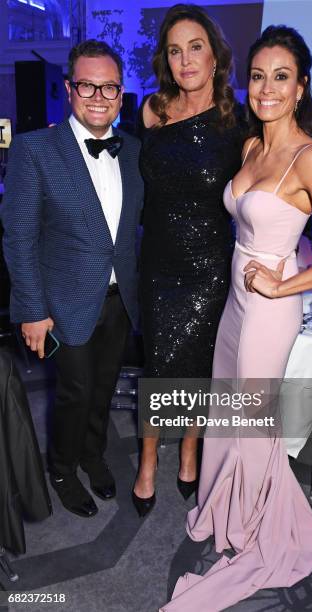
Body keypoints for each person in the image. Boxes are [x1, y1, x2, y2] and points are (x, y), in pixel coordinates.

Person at [160, 25, 312, 610]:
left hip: (268, 313)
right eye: (258, 75)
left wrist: (285, 285)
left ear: (301, 87)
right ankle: (225, 507)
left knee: (251, 428)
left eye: (281, 77)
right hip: (235, 305)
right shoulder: (253, 149)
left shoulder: (311, 158)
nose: (267, 88)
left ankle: (257, 527)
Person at [1, 40, 143, 518]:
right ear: (69, 89)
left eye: (109, 87)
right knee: (74, 391)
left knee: (103, 388)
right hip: (60, 304)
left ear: (121, 94)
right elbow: (18, 236)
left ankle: (91, 454)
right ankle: (61, 468)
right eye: (88, 85)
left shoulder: (134, 153)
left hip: (120, 298)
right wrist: (32, 310)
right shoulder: (34, 149)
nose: (99, 96)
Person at [133, 4, 247, 516]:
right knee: (158, 369)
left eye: (195, 47)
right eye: (175, 50)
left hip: (207, 270)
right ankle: (148, 461)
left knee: (198, 370)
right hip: (157, 265)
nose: (185, 60)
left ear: (216, 56)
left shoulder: (237, 123)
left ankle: (189, 452)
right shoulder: (151, 110)